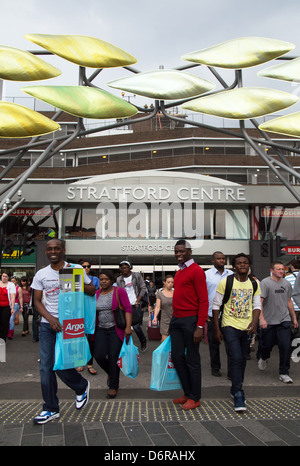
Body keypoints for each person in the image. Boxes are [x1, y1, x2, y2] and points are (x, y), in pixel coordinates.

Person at [31, 239, 96, 424]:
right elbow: (36, 301)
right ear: (46, 252)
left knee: (63, 365)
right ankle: (51, 409)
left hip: (69, 323)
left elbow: (92, 290)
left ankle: (81, 386)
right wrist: (50, 319)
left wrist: (72, 278)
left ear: (63, 250)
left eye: (56, 248)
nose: (53, 251)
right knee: (46, 367)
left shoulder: (74, 269)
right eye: (50, 249)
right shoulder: (41, 274)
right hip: (47, 325)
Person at [212, 253, 261, 412]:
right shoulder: (226, 282)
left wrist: (254, 323)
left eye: (245, 262)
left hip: (247, 327)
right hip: (229, 325)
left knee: (243, 359)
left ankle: (235, 388)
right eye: (239, 263)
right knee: (236, 356)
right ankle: (239, 392)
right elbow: (216, 306)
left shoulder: (254, 283)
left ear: (249, 265)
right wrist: (217, 329)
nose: (242, 265)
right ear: (234, 266)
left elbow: (256, 306)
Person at [169, 239, 208, 411]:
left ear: (190, 252)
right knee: (177, 357)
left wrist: (200, 326)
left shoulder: (197, 271)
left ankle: (195, 397)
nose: (178, 254)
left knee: (193, 360)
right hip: (176, 320)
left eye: (182, 251)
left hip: (191, 320)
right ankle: (187, 392)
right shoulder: (179, 272)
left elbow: (204, 300)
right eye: (176, 251)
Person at [258, 261, 298, 383]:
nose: (281, 271)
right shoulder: (265, 283)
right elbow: (259, 302)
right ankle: (264, 357)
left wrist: (294, 318)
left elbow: (289, 301)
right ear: (272, 270)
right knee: (267, 345)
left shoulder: (286, 283)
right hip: (269, 321)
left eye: (283, 269)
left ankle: (284, 373)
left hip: (284, 320)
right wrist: (262, 318)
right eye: (279, 269)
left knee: (285, 346)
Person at [94, 270, 132, 399]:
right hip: (100, 329)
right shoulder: (97, 293)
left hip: (115, 328)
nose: (103, 281)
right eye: (101, 279)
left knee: (113, 357)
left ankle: (113, 386)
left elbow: (128, 308)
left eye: (106, 279)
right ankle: (111, 373)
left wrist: (128, 327)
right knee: (98, 355)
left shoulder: (119, 291)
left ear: (111, 280)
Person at [205, 251, 233, 376]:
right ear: (212, 260)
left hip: (229, 314)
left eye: (223, 258)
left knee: (230, 344)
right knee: (214, 343)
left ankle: (231, 370)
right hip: (211, 314)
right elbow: (203, 295)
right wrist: (204, 313)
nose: (221, 260)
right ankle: (215, 367)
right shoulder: (206, 275)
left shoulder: (232, 274)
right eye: (218, 258)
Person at [116, 260, 148, 352]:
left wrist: (138, 301)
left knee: (136, 325)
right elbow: (118, 292)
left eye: (126, 267)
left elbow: (143, 287)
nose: (124, 269)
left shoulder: (136, 276)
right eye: (122, 268)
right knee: (125, 325)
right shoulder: (119, 279)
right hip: (124, 305)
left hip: (135, 304)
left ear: (130, 268)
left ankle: (143, 340)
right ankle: (127, 345)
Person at [76, 260, 100, 375]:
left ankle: (90, 363)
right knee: (79, 336)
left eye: (88, 266)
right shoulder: (74, 277)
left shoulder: (95, 279)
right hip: (78, 308)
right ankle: (80, 361)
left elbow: (93, 291)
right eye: (83, 266)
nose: (86, 268)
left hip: (91, 309)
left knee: (90, 337)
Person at [152, 275, 174, 341]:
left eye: (172, 282)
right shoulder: (160, 293)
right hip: (165, 319)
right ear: (164, 283)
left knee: (175, 341)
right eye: (168, 282)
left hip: (175, 318)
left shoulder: (176, 292)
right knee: (164, 340)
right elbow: (158, 306)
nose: (170, 284)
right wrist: (155, 317)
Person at [285, 259, 300, 334]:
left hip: (292, 306)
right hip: (298, 305)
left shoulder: (287, 278)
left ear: (292, 267)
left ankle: (293, 343)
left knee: (292, 327)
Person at [0, 272, 16, 342]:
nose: (4, 278)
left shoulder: (11, 285)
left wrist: (12, 308)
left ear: (8, 277)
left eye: (6, 276)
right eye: (3, 276)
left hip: (6, 306)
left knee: (4, 322)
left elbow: (12, 297)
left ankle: (3, 338)